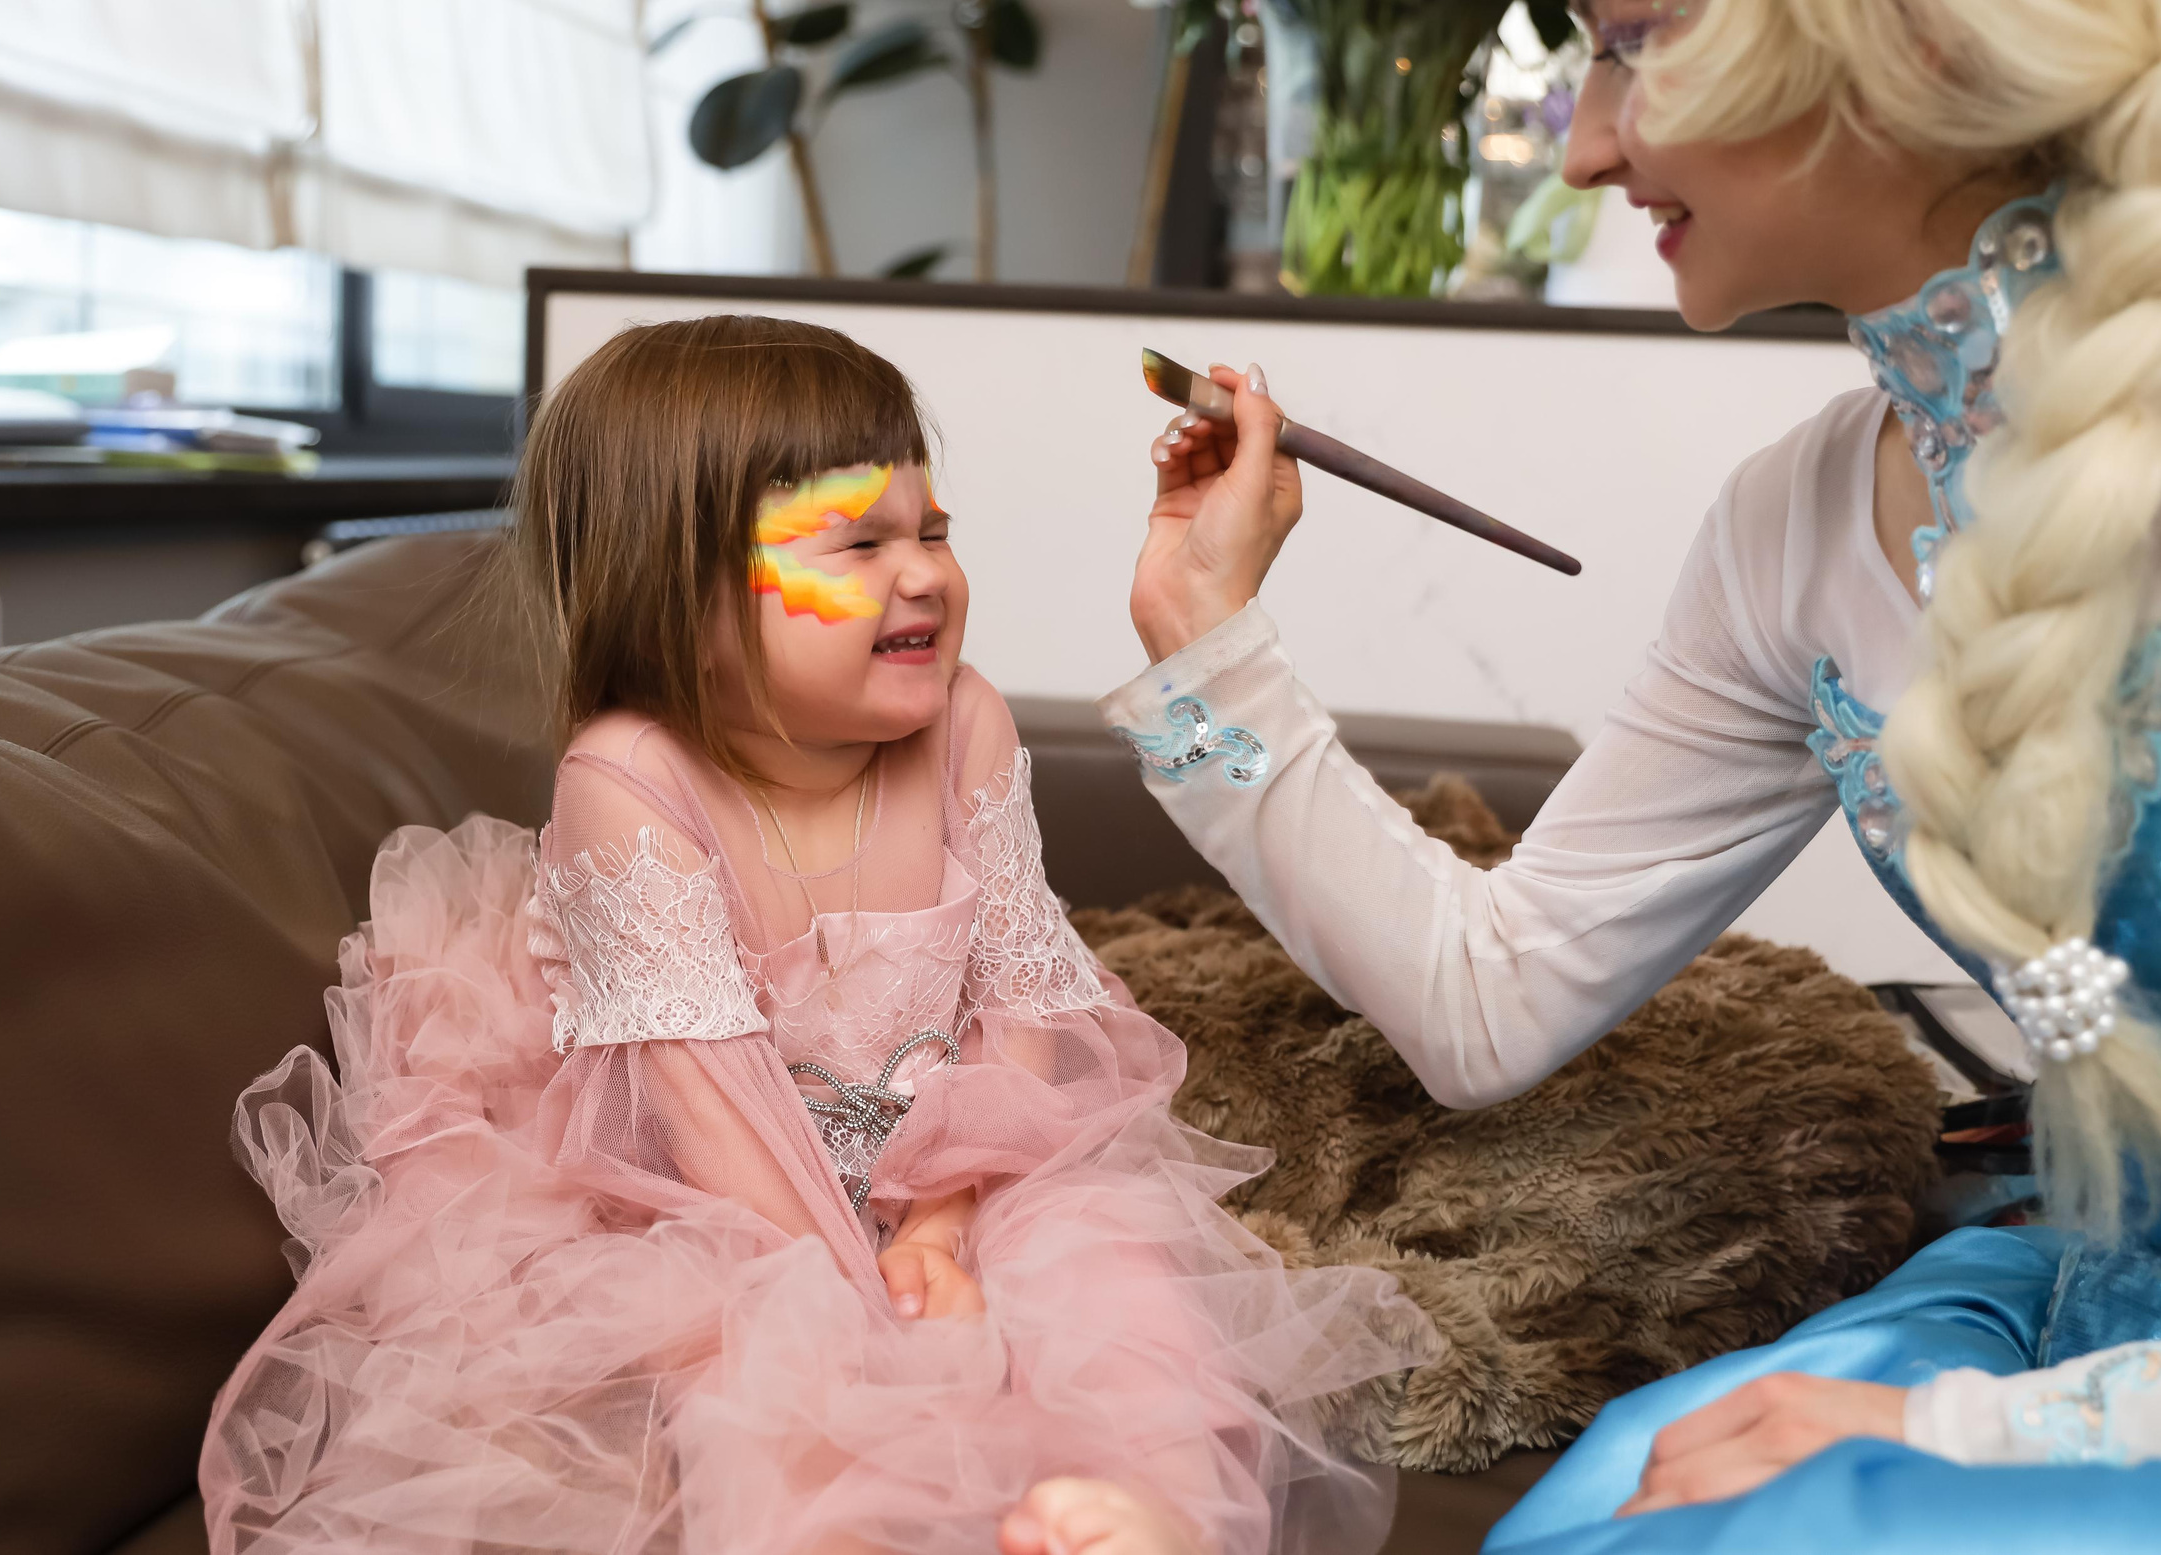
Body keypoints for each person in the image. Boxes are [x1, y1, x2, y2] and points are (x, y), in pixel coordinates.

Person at [1050, 0, 2161, 1549]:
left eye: (1628, 41)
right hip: (2068, 1330)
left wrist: (1984, 1434)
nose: (1586, 140)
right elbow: (1487, 1003)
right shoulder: (1798, 520)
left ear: (1903, 34)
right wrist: (1204, 639)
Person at [198, 317, 1430, 1555]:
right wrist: (859, 1318)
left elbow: (1022, 997)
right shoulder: (627, 780)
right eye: (856, 544)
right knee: (750, 1373)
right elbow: (711, 1104)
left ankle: (1144, 1518)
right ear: (682, 592)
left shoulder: (964, 722)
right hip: (718, 1206)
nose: (923, 577)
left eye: (933, 533)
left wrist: (945, 1227)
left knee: (1114, 1277)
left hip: (958, 1157)